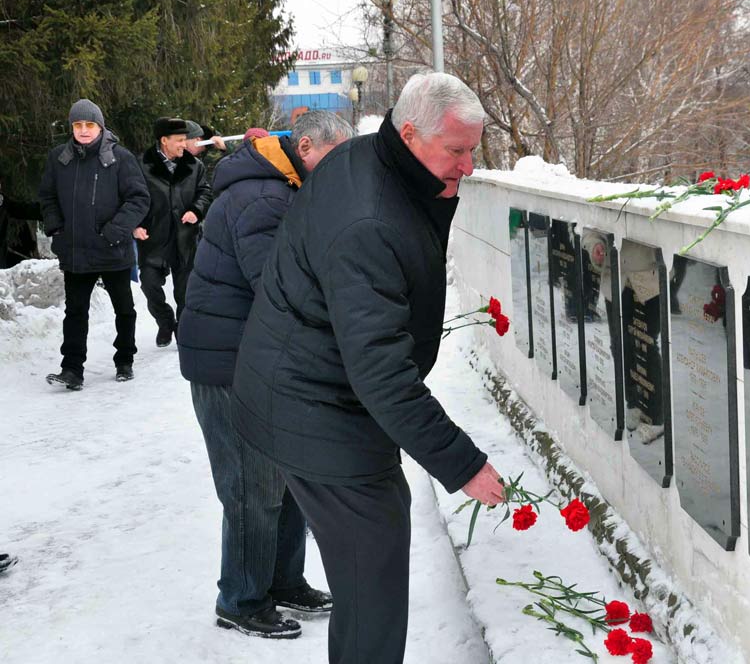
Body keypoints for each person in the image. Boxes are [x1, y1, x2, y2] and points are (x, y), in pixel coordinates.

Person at [232, 74, 506, 664]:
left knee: (381, 531)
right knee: (373, 561)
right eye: (456, 151)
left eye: (473, 150)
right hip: (311, 402)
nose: (469, 165)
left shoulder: (374, 159)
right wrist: (462, 463)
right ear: (410, 134)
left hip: (315, 386)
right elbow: (381, 370)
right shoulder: (370, 222)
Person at [177, 111, 352, 639]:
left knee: (285, 476)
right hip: (228, 363)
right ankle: (242, 598)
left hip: (259, 359)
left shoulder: (283, 187)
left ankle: (282, 580)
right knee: (252, 486)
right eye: (334, 156)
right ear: (304, 146)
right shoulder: (263, 198)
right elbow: (280, 289)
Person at [39, 99, 150, 390]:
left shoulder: (120, 158)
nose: (84, 130)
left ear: (100, 127)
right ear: (72, 127)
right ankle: (72, 369)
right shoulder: (59, 159)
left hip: (112, 248)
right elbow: (47, 197)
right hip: (76, 251)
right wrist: (57, 230)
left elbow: (139, 198)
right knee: (75, 312)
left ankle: (124, 359)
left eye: (90, 125)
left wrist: (115, 231)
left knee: (124, 308)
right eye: (78, 125)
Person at [134, 117, 212, 347]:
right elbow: (130, 197)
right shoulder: (141, 165)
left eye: (185, 140)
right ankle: (166, 321)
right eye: (179, 140)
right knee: (149, 285)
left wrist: (196, 211)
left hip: (184, 238)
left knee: (185, 293)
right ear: (164, 141)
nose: (183, 145)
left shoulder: (194, 166)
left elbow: (205, 192)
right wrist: (134, 225)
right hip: (153, 237)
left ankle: (182, 329)